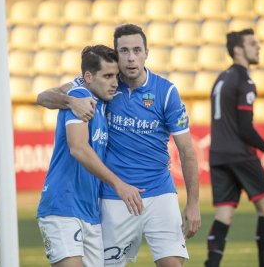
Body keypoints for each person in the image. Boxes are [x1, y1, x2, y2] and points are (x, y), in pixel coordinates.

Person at [37, 24, 201, 267]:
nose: (131, 57)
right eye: (124, 51)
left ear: (147, 52)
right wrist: (70, 100)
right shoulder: (100, 86)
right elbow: (43, 97)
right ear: (117, 54)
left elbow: (187, 151)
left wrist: (194, 203)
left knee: (172, 264)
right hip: (114, 197)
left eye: (137, 50)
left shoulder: (166, 92)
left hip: (159, 191)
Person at [37, 45, 144, 267]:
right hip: (63, 206)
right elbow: (78, 148)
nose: (115, 82)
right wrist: (118, 184)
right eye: (107, 76)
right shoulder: (80, 95)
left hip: (90, 212)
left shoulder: (103, 102)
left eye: (116, 76)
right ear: (88, 76)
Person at [205, 28, 264, 267]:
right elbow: (246, 128)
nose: (258, 48)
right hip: (239, 153)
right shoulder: (244, 80)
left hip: (218, 154)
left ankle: (211, 264)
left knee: (224, 213)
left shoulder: (221, 78)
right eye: (252, 44)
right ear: (238, 50)